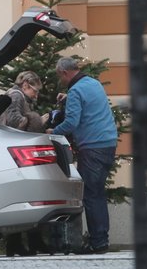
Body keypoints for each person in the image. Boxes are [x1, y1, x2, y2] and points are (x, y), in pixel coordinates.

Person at [47, 57, 118, 254]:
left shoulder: (76, 90)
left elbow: (71, 123)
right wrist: (68, 98)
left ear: (64, 72)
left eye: (59, 76)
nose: (60, 80)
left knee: (91, 195)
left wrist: (53, 132)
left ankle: (98, 242)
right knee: (98, 194)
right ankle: (101, 239)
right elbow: (90, 104)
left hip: (92, 148)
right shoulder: (92, 83)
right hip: (108, 144)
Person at [0, 70, 46, 256]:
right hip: (14, 150)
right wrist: (36, 119)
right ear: (25, 85)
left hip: (11, 150)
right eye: (35, 90)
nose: (36, 95)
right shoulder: (16, 96)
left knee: (21, 195)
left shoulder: (16, 95)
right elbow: (15, 121)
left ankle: (20, 244)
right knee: (21, 195)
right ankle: (18, 244)